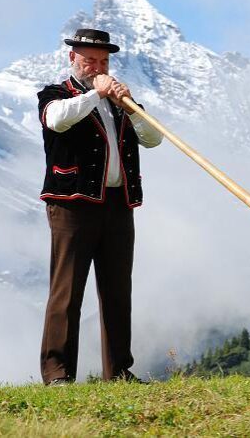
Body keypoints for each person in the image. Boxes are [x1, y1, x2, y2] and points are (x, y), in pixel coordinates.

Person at [36, 28, 163, 385]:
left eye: (103, 61)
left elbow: (154, 139)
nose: (97, 66)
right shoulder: (56, 94)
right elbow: (57, 119)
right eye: (90, 60)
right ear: (72, 59)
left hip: (118, 204)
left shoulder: (120, 102)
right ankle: (58, 373)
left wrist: (132, 108)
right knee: (67, 290)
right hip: (72, 206)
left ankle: (119, 371)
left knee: (118, 290)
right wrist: (96, 93)